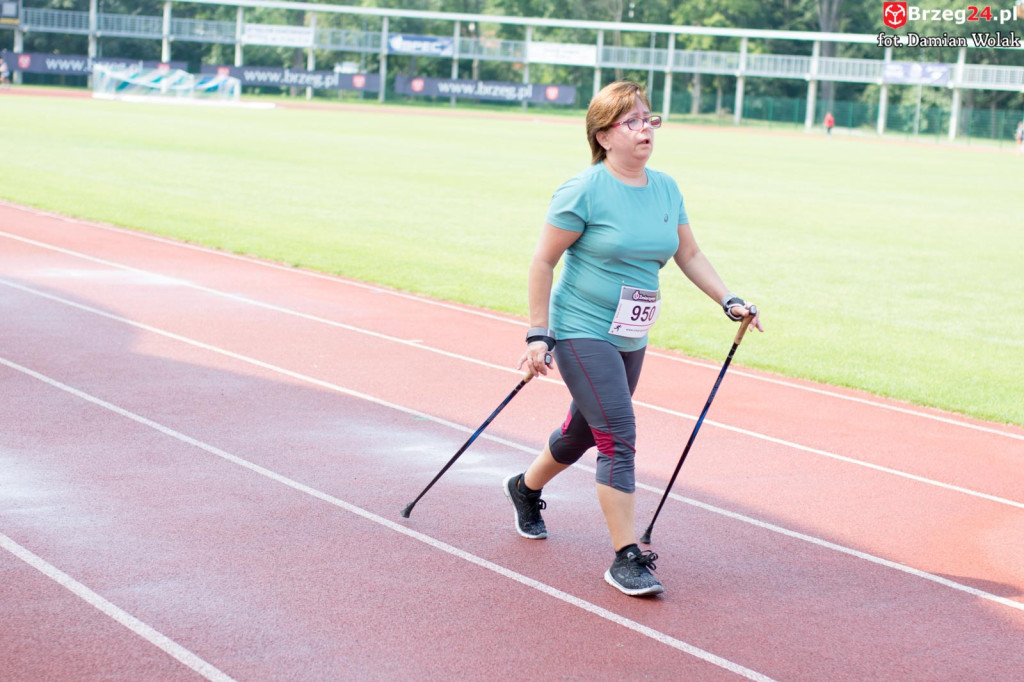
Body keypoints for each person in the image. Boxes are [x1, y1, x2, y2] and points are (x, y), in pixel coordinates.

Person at [503, 81, 762, 597]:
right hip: (580, 327)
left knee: (582, 434)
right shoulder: (583, 190)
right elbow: (543, 261)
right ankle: (626, 556)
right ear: (603, 135)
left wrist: (728, 299)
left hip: (631, 331)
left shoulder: (666, 187)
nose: (646, 129)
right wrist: (539, 334)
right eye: (633, 121)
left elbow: (687, 254)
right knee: (618, 434)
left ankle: (524, 487)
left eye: (650, 119)